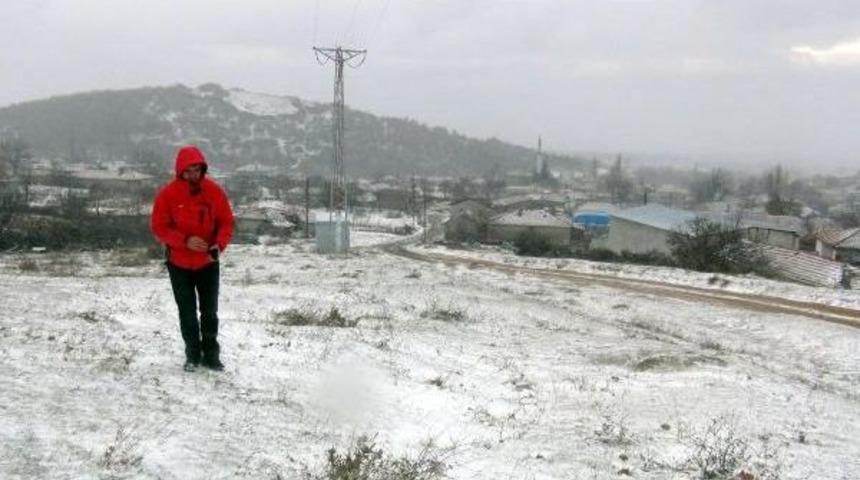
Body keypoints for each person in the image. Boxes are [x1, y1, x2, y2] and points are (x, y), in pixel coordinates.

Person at [150, 145, 234, 372]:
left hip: (208, 262)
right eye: (188, 171)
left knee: (209, 312)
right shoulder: (167, 194)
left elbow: (226, 222)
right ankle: (192, 355)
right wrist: (184, 240)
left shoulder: (214, 191)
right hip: (178, 264)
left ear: (202, 169)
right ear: (180, 171)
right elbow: (159, 227)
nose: (193, 175)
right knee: (187, 312)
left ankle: (211, 355)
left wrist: (219, 244)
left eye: (197, 170)